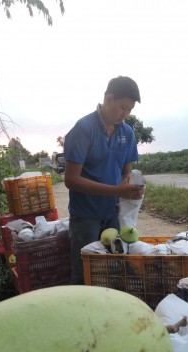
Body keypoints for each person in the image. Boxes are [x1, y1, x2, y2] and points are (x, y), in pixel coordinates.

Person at [63, 76, 145, 284]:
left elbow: (126, 172)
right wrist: (117, 191)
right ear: (109, 99)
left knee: (113, 270)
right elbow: (71, 180)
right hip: (85, 217)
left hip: (112, 215)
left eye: (129, 110)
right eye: (122, 107)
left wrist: (129, 190)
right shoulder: (84, 129)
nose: (125, 114)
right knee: (84, 273)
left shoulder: (127, 132)